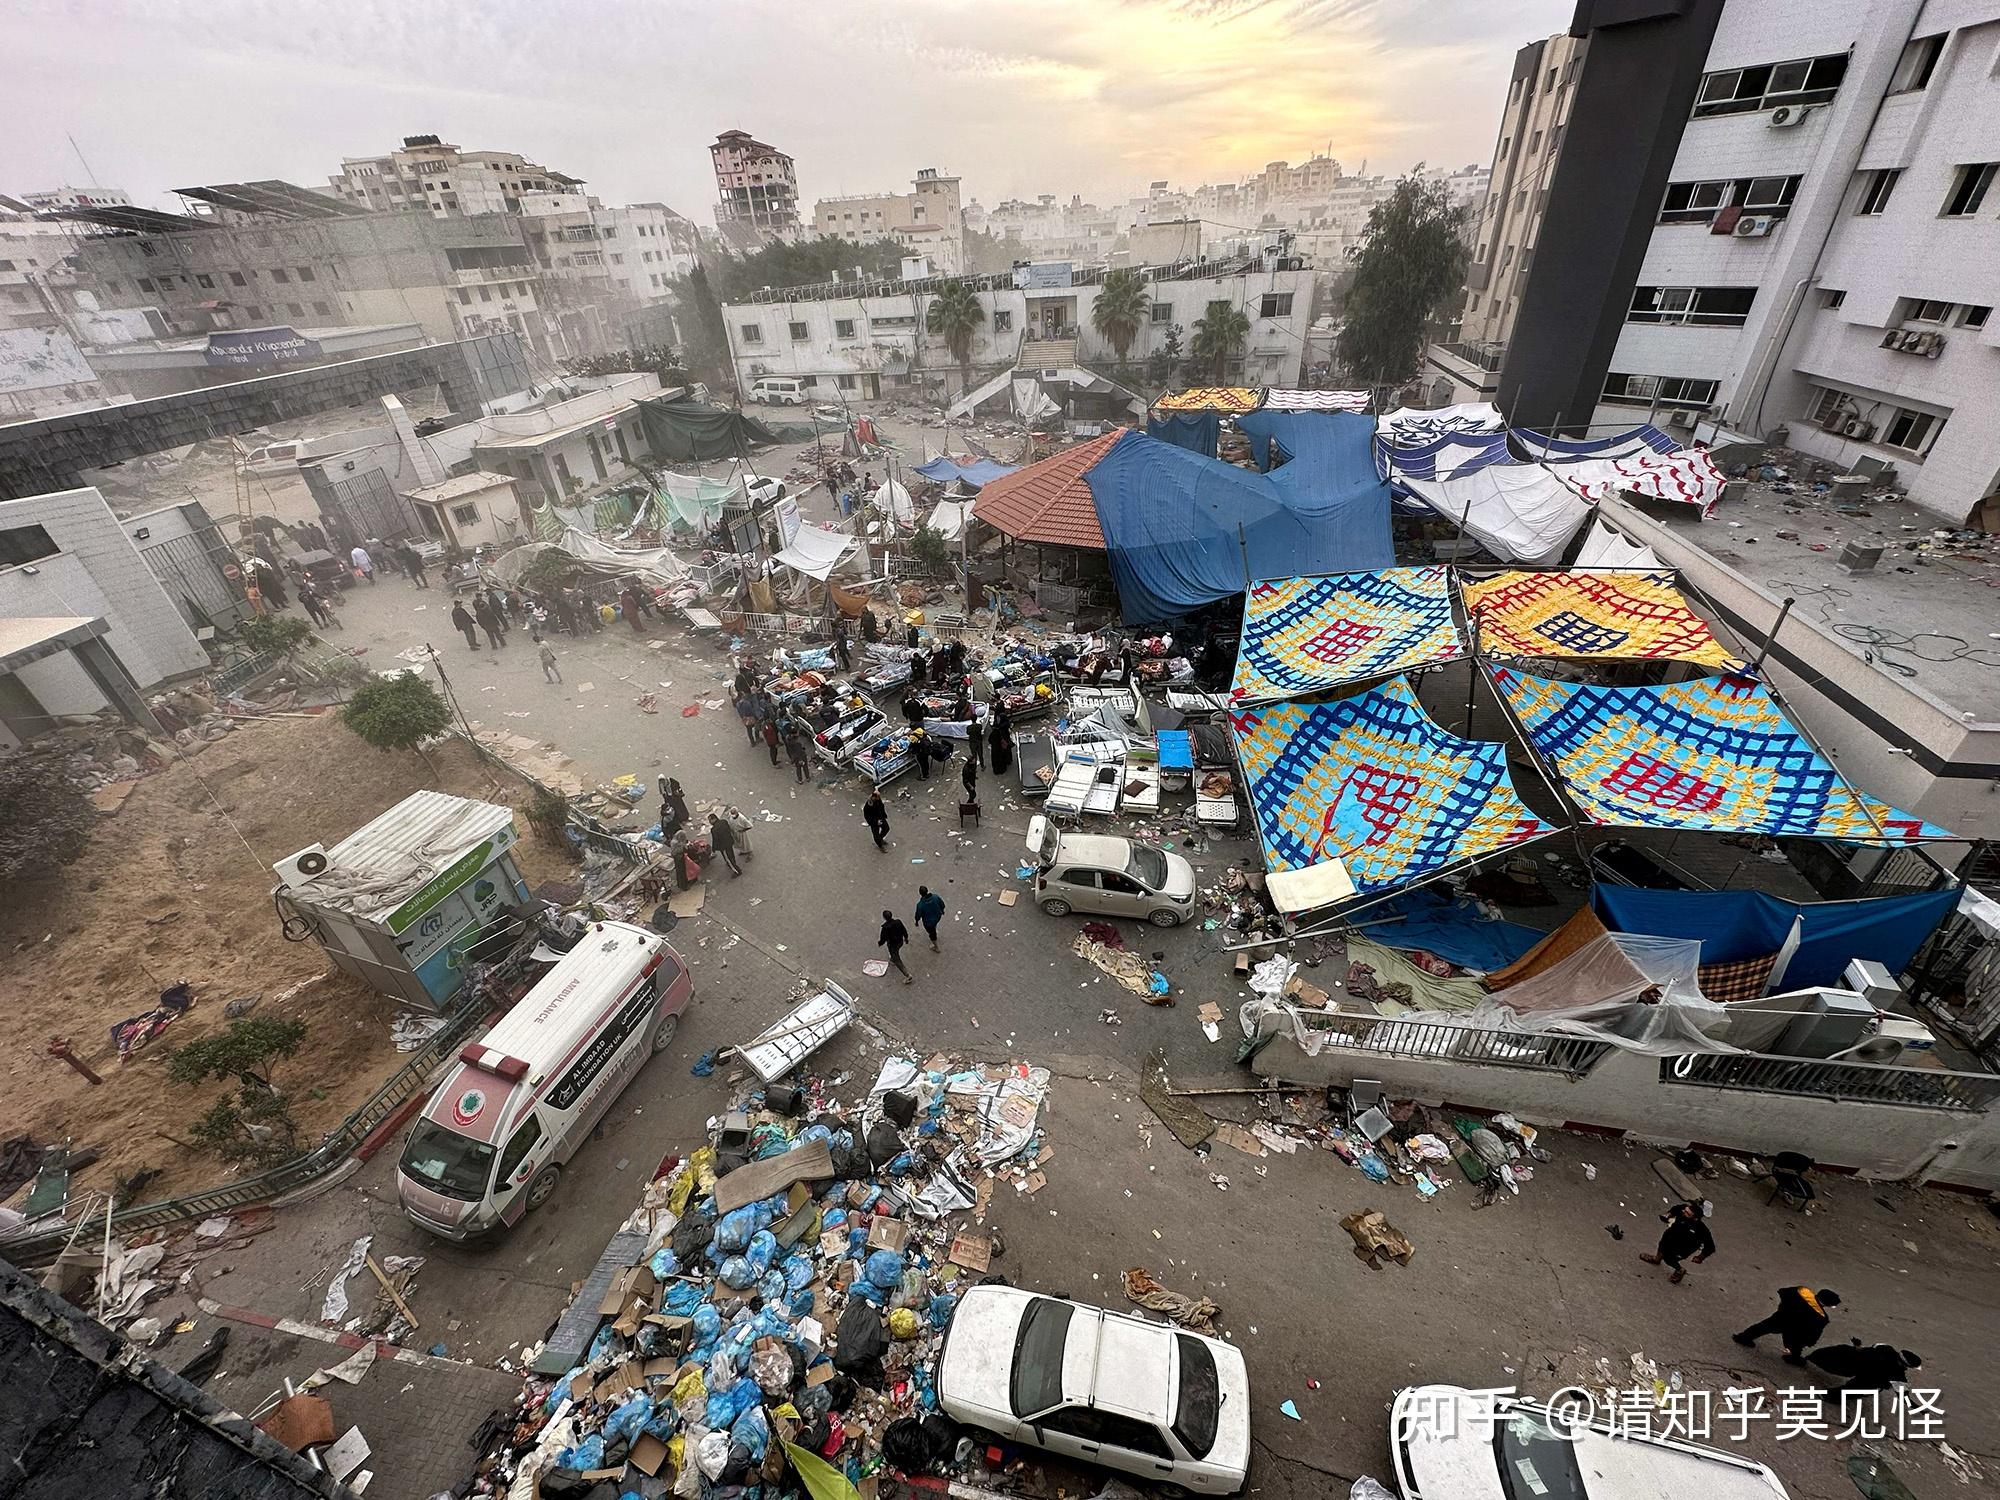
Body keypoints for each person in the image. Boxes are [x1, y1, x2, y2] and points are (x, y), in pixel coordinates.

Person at [1735, 1287, 1842, 1365]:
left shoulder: (1801, 1291)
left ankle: (1743, 1337)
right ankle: (1793, 1358)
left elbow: (1783, 1292)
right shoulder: (1820, 1317)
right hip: (1795, 1329)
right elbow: (1814, 1332)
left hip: (1781, 1317)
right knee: (1795, 1344)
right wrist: (1810, 1342)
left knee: (1762, 1327)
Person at [1639, 1202, 1714, 1284]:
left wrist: (1700, 1257)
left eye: (1687, 1213)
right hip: (1670, 1236)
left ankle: (1680, 1270)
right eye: (1685, 1210)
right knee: (1662, 1245)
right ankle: (1656, 1259)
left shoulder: (1701, 1230)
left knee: (1669, 1258)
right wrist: (1668, 1215)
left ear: (1695, 1218)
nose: (1683, 1213)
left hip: (1682, 1247)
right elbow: (1676, 1208)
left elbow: (1710, 1247)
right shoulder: (1683, 1209)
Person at [1806, 1341, 1922, 1393]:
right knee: (1858, 1388)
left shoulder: (1885, 1347)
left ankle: (1805, 1358)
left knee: (1822, 1356)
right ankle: (1829, 1396)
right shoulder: (1892, 1370)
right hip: (1854, 1369)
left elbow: (1873, 1346)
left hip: (1848, 1354)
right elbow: (1884, 1383)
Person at [878, 909, 914, 984]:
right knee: (895, 952)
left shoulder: (885, 928)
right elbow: (904, 930)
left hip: (892, 945)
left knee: (897, 960)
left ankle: (908, 975)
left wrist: (880, 943)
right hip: (900, 942)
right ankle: (892, 959)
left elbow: (883, 938)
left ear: (884, 918)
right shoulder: (898, 922)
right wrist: (906, 938)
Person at [708, 812, 741, 877]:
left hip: (723, 846)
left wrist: (713, 849)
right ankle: (732, 862)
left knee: (728, 858)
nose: (709, 822)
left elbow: (715, 840)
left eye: (710, 820)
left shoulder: (714, 829)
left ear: (713, 819)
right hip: (729, 841)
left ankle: (737, 871)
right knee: (731, 854)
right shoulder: (724, 821)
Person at [914, 886, 945, 951]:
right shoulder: (935, 897)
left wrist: (916, 921)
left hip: (928, 922)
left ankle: (936, 947)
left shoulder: (920, 905)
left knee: (932, 934)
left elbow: (918, 915)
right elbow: (942, 904)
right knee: (934, 926)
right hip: (937, 917)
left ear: (920, 893)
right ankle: (934, 929)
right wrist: (942, 910)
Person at [990, 705, 1014, 775]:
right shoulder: (1005, 723)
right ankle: (1008, 761)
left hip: (1001, 743)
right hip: (1003, 742)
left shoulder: (999, 729)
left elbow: (991, 739)